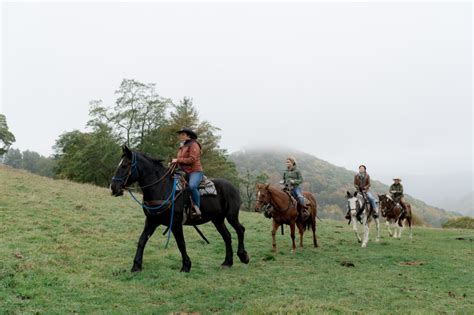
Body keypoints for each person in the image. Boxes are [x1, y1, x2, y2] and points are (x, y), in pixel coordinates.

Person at [171, 128, 203, 219]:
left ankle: (196, 207)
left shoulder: (194, 144)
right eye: (180, 134)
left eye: (182, 134)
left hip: (195, 171)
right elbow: (181, 160)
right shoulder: (182, 146)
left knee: (192, 186)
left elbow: (192, 159)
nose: (180, 136)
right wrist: (174, 162)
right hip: (183, 171)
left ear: (188, 136)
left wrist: (178, 160)